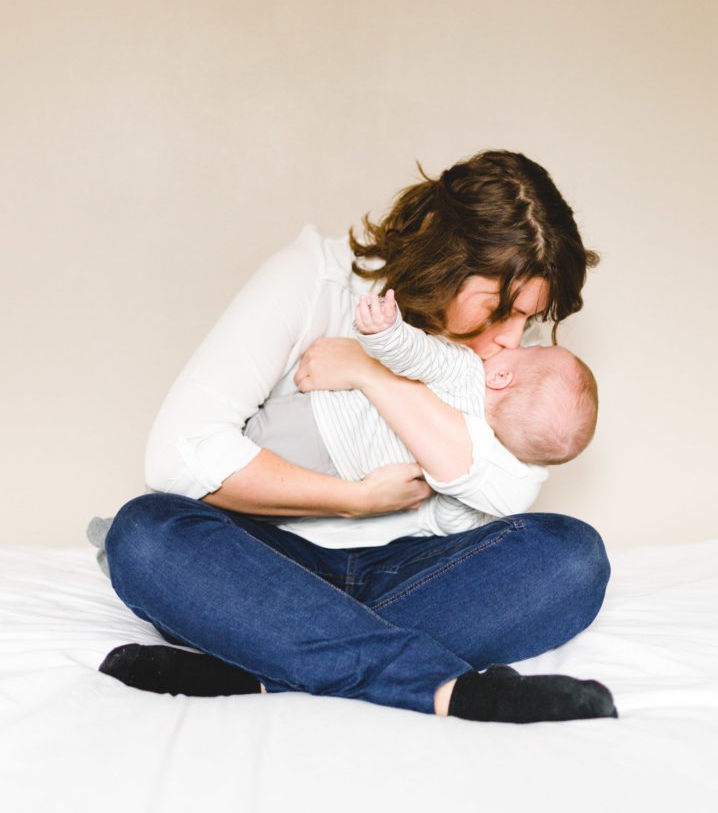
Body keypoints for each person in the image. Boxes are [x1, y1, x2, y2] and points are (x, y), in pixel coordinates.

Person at [100, 150, 616, 723]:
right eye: (501, 310)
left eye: (529, 320)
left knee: (573, 560)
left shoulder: (498, 356)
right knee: (146, 537)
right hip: (266, 565)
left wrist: (372, 374)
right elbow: (177, 458)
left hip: (418, 574)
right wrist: (353, 501)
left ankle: (266, 660)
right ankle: (446, 690)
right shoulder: (316, 281)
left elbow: (507, 486)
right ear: (446, 260)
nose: (512, 342)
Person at [243, 287, 596, 544]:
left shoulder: (468, 372)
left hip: (321, 424)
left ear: (502, 377)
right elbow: (450, 521)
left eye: (528, 352)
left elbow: (420, 355)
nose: (515, 343)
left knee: (247, 449)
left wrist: (387, 332)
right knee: (264, 504)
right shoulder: (487, 462)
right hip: (344, 472)